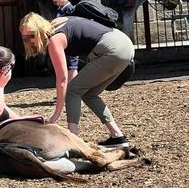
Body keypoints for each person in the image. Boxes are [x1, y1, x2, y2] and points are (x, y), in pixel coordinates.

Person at [19, 12, 134, 147]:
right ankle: (118, 137)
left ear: (39, 30)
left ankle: (73, 140)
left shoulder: (54, 40)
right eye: (25, 38)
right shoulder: (57, 22)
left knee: (73, 90)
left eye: (31, 36)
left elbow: (62, 80)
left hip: (112, 50)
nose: (30, 41)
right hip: (124, 44)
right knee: (89, 94)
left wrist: (56, 114)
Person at [48, 0, 78, 83]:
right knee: (66, 67)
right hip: (64, 45)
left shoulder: (70, 10)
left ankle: (73, 91)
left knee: (72, 67)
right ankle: (67, 91)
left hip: (71, 44)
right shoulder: (60, 10)